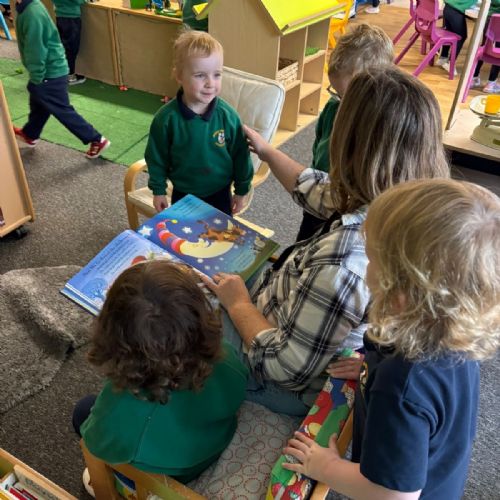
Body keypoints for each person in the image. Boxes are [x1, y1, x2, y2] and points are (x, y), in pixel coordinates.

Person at [202, 67, 450, 417]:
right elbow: (316, 189)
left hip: (276, 379)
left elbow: (284, 368)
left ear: (348, 142)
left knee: (181, 313)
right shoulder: (397, 200)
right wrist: (268, 152)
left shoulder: (343, 263)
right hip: (289, 318)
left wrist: (239, 305)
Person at [282, 178, 500, 499]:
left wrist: (325, 467)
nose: (365, 266)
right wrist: (366, 369)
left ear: (400, 290)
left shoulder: (400, 384)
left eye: (371, 258)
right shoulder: (452, 330)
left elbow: (394, 495)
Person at [72, 260, 248, 484]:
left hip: (168, 475)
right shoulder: (225, 354)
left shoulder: (119, 407)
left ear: (112, 335)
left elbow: (96, 444)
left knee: (82, 412)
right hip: (213, 442)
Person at [296, 24, 393, 241]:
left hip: (348, 207)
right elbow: (318, 146)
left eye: (349, 97)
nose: (343, 104)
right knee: (304, 243)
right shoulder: (333, 108)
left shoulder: (378, 124)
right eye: (337, 94)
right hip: (319, 195)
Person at [145, 30, 253, 216]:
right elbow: (156, 157)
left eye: (217, 74)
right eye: (200, 75)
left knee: (220, 233)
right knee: (184, 233)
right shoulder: (165, 119)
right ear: (179, 76)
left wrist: (242, 190)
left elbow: (241, 156)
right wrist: (158, 190)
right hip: (183, 193)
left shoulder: (228, 117)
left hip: (220, 192)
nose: (210, 83)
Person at [13, 0, 109, 159]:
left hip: (50, 72)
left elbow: (35, 49)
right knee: (39, 103)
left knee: (61, 109)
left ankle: (96, 139)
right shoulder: (28, 8)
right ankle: (30, 134)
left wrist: (37, 76)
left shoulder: (32, 13)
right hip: (50, 70)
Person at [437, 0, 477, 76]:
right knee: (461, 37)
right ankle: (451, 63)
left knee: (449, 32)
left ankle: (443, 57)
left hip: (448, 7)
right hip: (456, 10)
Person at [52, 0, 87, 85]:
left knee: (64, 47)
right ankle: (70, 76)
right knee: (71, 48)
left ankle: (62, 73)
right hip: (71, 17)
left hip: (60, 15)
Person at [470, 1, 500, 94]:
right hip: (496, 18)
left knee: (485, 46)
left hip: (490, 17)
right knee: (498, 50)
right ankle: (491, 83)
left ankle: (474, 78)